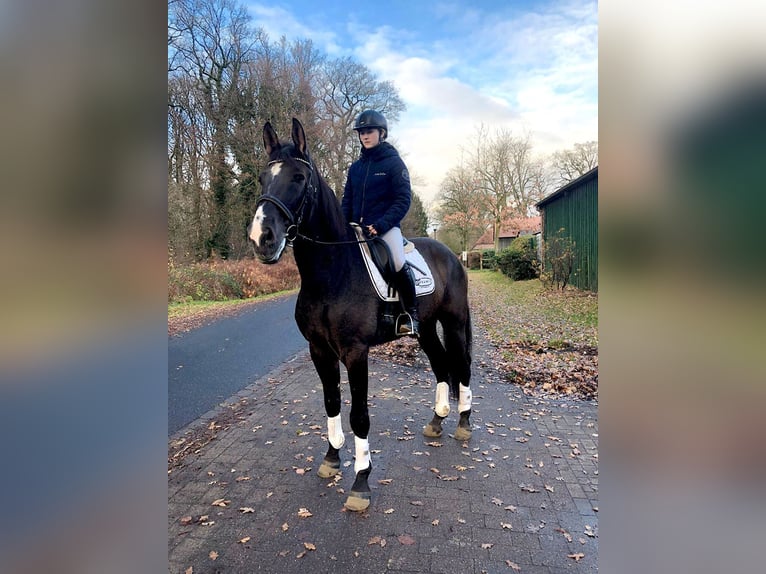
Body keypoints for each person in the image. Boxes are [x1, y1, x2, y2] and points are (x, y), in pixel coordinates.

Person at [341, 109, 419, 337]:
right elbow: (347, 202)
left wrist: (382, 225)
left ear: (381, 133)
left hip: (385, 228)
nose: (365, 136)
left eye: (369, 131)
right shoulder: (355, 168)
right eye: (362, 132)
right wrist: (343, 224)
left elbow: (403, 200)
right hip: (357, 229)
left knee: (396, 261)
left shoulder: (394, 163)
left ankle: (411, 316)